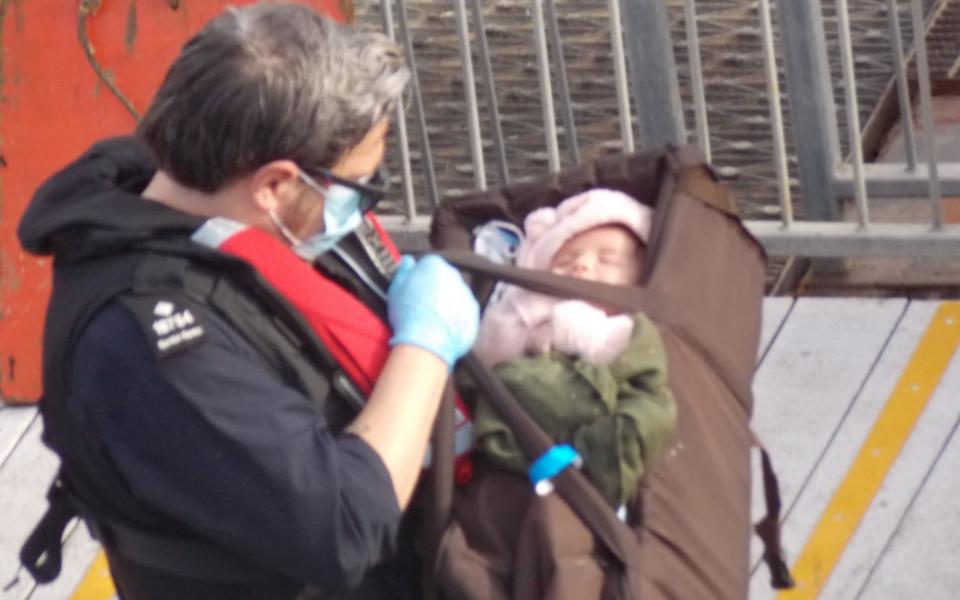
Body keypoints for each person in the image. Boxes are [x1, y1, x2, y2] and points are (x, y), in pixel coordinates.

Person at [16, 4, 478, 599]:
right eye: (359, 189)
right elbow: (345, 526)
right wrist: (426, 343)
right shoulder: (148, 344)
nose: (362, 212)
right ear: (274, 186)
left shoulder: (189, 192)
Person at [471, 188, 677, 510]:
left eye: (607, 260)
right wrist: (530, 329)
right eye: (566, 260)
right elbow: (488, 353)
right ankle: (566, 463)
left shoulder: (632, 319)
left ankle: (600, 461)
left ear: (640, 277)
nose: (581, 266)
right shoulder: (538, 303)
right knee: (506, 390)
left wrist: (587, 338)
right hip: (539, 404)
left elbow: (644, 372)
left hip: (614, 398)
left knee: (654, 414)